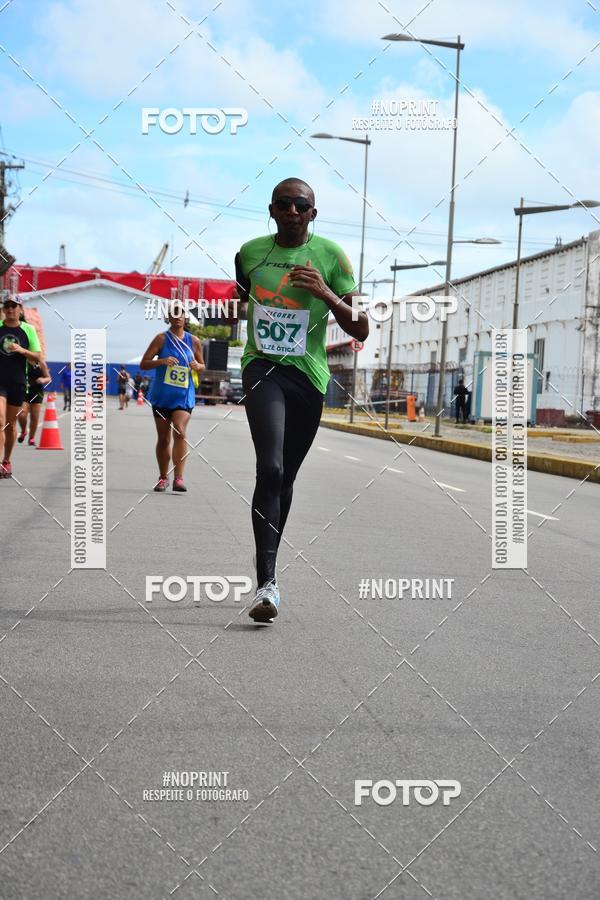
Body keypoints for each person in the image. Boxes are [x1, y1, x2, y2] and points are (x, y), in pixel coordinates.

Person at [235, 177, 368, 623]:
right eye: (284, 204)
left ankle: (270, 572)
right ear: (271, 210)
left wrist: (325, 294)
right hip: (262, 368)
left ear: (313, 213)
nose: (293, 210)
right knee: (269, 467)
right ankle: (267, 584)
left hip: (308, 377)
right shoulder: (250, 254)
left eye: (301, 205)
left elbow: (360, 328)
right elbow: (243, 299)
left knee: (285, 477)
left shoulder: (331, 257)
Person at [140, 301, 205, 492]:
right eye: (173, 314)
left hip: (184, 396)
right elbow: (144, 363)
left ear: (185, 317)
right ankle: (162, 477)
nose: (177, 317)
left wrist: (197, 366)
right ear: (168, 317)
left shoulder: (194, 341)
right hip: (162, 396)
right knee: (163, 439)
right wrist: (162, 361)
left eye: (181, 313)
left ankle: (178, 478)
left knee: (180, 430)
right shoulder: (161, 339)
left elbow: (202, 365)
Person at [0, 296, 41, 478]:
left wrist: (22, 350)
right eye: (6, 306)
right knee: (0, 420)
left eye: (13, 306)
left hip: (17, 382)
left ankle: (6, 460)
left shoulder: (28, 330)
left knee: (9, 426)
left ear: (20, 309)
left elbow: (37, 357)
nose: (10, 309)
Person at [17, 356, 51, 445]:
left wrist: (43, 380)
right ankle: (23, 431)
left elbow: (48, 378)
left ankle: (31, 438)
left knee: (34, 417)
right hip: (24, 392)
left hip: (37, 392)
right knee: (22, 414)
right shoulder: (22, 361)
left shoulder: (41, 363)